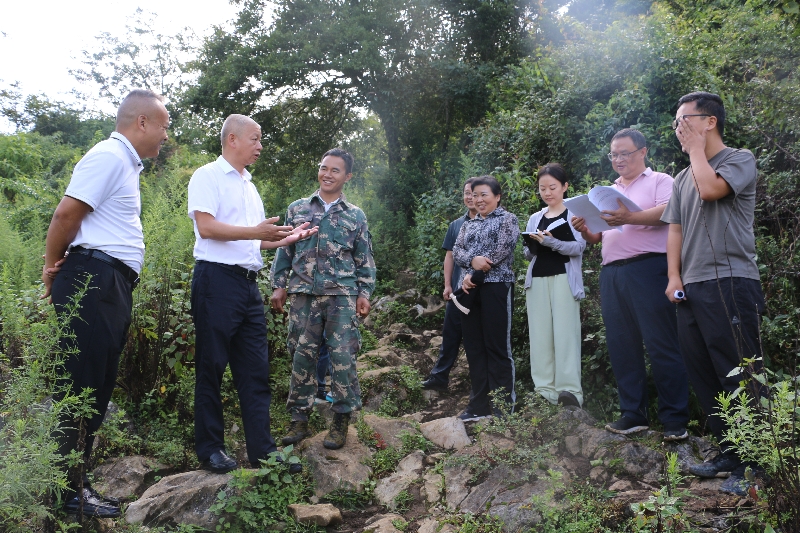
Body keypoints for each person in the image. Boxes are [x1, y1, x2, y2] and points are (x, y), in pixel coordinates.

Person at [42, 89, 169, 518]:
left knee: (94, 385)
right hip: (92, 280)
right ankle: (65, 495)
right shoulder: (110, 156)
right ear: (142, 123)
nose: (166, 136)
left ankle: (75, 486)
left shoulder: (125, 164)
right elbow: (65, 215)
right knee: (81, 385)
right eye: (164, 126)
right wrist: (50, 266)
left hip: (107, 283)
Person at [188, 114, 314, 474]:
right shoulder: (207, 176)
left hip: (246, 285)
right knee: (211, 367)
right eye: (255, 139)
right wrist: (255, 232)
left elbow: (253, 239)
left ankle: (263, 451)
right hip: (215, 281)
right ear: (232, 140)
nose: (260, 146)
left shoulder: (249, 185)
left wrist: (282, 239)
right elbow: (208, 228)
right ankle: (211, 449)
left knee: (255, 370)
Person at [661, 91, 765, 496]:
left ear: (709, 122)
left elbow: (711, 190)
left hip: (732, 280)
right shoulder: (682, 177)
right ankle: (729, 451)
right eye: (676, 122)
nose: (679, 128)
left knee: (739, 371)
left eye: (685, 120)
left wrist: (695, 152)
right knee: (703, 369)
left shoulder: (738, 159)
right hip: (692, 284)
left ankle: (756, 461)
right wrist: (673, 276)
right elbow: (675, 227)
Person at [571, 129, 690, 441]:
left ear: (642, 152)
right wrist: (585, 228)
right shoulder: (607, 190)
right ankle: (633, 414)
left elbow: (669, 213)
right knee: (621, 345)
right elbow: (599, 236)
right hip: (612, 272)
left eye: (624, 153)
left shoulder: (661, 181)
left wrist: (628, 217)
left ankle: (675, 420)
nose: (618, 159)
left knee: (661, 343)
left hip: (649, 268)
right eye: (613, 154)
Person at [270, 148, 376, 450]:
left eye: (335, 170)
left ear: (348, 176)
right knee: (301, 356)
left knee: (342, 358)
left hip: (341, 296)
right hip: (303, 294)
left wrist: (364, 293)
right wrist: (279, 285)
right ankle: (299, 419)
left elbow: (363, 257)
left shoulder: (355, 215)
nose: (327, 174)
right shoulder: (298, 209)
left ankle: (341, 419)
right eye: (323, 167)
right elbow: (284, 249)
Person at [452, 175, 519, 421]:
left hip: (496, 287)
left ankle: (503, 407)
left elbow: (502, 249)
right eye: (475, 195)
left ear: (497, 197)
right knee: (474, 348)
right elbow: (457, 251)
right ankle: (478, 405)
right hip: (469, 290)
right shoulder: (468, 224)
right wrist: (471, 263)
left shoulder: (507, 219)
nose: (479, 200)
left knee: (497, 347)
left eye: (484, 195)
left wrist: (476, 270)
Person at [524, 164, 586, 408]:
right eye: (542, 188)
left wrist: (552, 242)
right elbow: (529, 254)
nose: (547, 192)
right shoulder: (535, 218)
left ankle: (569, 391)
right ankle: (544, 390)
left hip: (564, 279)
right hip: (537, 280)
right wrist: (533, 246)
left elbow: (579, 247)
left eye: (552, 187)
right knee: (540, 336)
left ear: (565, 187)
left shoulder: (574, 215)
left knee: (566, 334)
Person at [421, 177, 478, 392]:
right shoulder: (456, 225)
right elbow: (449, 256)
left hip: (478, 292)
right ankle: (439, 377)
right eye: (466, 193)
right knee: (450, 335)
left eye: (474, 193)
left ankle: (478, 384)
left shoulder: (489, 223)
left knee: (476, 339)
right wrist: (447, 285)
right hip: (456, 291)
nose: (470, 197)